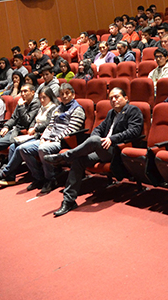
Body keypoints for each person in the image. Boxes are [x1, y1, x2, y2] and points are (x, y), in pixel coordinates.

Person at [43, 87, 144, 217]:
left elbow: (134, 131)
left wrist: (111, 139)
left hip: (117, 150)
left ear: (126, 98)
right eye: (111, 98)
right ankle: (68, 201)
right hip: (102, 150)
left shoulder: (133, 111)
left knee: (95, 140)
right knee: (79, 160)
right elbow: (98, 128)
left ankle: (64, 156)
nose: (113, 100)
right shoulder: (111, 113)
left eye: (117, 97)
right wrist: (93, 140)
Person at [19, 83, 86, 193]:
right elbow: (50, 125)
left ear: (73, 95)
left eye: (67, 93)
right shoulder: (58, 108)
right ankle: (39, 177)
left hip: (64, 141)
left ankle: (51, 179)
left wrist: (52, 140)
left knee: (43, 149)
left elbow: (71, 130)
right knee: (23, 149)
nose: (64, 96)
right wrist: (44, 138)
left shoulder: (77, 109)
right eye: (61, 94)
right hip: (49, 139)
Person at [0, 87, 59, 186]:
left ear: (50, 97)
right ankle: (11, 177)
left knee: (20, 149)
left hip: (43, 136)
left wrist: (35, 129)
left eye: (44, 98)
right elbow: (32, 122)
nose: (42, 100)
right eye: (40, 98)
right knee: (14, 146)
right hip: (33, 134)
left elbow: (48, 124)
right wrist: (32, 128)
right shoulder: (42, 108)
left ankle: (5, 173)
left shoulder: (53, 107)